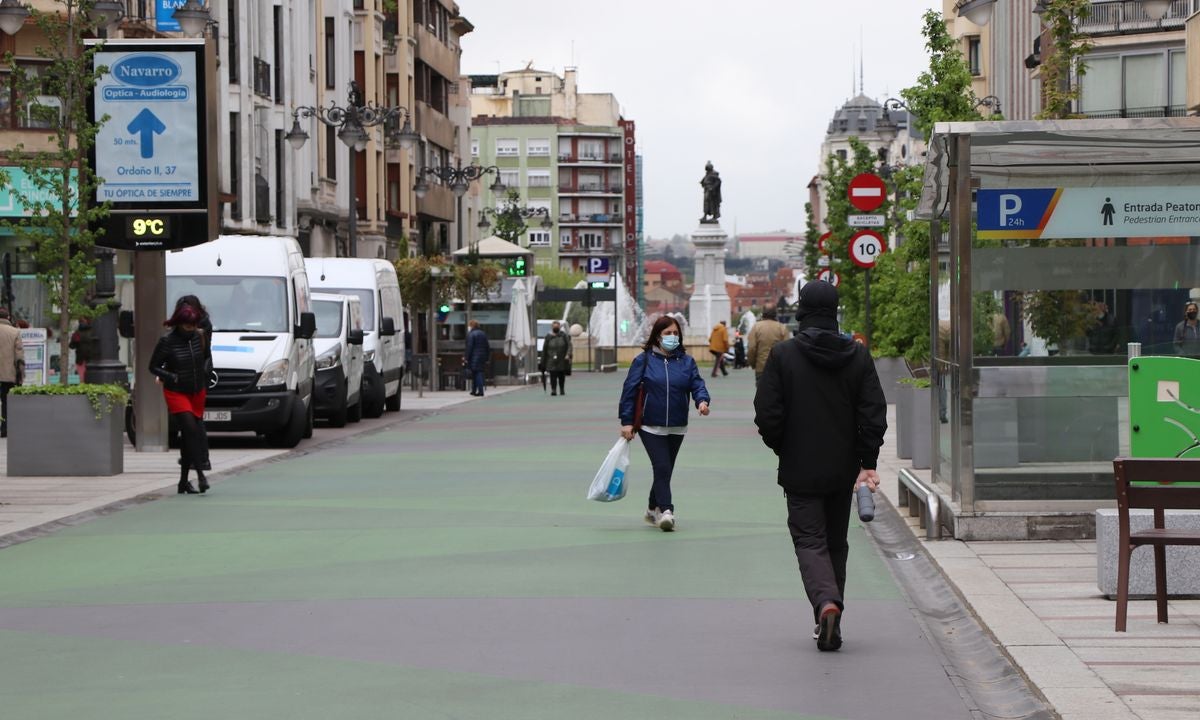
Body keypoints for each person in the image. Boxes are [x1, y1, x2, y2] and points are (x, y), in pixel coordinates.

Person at [753, 280, 887, 652]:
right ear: (835, 311)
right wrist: (867, 460)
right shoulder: (858, 356)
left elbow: (767, 413)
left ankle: (826, 603)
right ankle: (832, 620)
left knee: (809, 540)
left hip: (799, 465)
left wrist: (783, 445)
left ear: (802, 309)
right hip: (842, 467)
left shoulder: (784, 355)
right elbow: (873, 412)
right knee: (834, 543)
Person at [619, 316, 711, 531]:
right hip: (650, 425)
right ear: (657, 336)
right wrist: (626, 422)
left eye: (675, 333)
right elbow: (629, 391)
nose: (672, 337)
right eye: (667, 333)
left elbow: (697, 384)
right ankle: (666, 511)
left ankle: (652, 509)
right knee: (661, 467)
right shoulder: (644, 360)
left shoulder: (687, 362)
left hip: (678, 424)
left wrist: (702, 401)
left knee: (665, 469)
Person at [150, 297, 213, 495]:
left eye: (194, 325)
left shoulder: (199, 336)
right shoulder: (167, 341)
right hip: (176, 391)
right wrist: (171, 376)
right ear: (179, 323)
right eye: (187, 326)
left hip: (196, 390)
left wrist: (205, 374)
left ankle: (183, 481)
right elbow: (152, 366)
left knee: (188, 436)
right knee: (191, 429)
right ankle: (201, 475)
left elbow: (206, 357)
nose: (191, 329)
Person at [747, 307, 790, 385]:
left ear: (763, 313)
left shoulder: (756, 327)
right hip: (778, 368)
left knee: (761, 394)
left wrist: (753, 364)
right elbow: (788, 350)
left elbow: (751, 348)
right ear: (775, 314)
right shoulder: (782, 328)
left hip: (761, 367)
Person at [0, 308, 24, 439]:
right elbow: (19, 355)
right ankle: (4, 429)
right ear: (8, 317)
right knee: (6, 401)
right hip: (8, 374)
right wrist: (21, 374)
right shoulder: (15, 332)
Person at [540, 320, 572, 396]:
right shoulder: (548, 337)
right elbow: (544, 349)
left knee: (561, 375)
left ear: (559, 327)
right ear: (552, 327)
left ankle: (561, 389)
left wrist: (567, 354)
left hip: (562, 359)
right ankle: (553, 389)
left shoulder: (563, 336)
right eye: (554, 326)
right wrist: (543, 362)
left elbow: (569, 346)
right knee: (553, 375)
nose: (556, 328)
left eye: (557, 326)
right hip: (551, 360)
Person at [464, 319, 490, 397]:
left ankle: (480, 390)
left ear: (471, 326)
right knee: (477, 372)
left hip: (474, 356)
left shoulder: (471, 334)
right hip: (482, 356)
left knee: (477, 373)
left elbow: (469, 347)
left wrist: (466, 357)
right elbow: (487, 346)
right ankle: (474, 390)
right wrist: (487, 357)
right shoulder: (483, 334)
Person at [69, 318, 98, 382]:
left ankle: (83, 388)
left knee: (82, 377)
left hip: (80, 358)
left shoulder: (77, 333)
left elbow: (71, 346)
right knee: (92, 376)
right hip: (91, 357)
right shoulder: (93, 332)